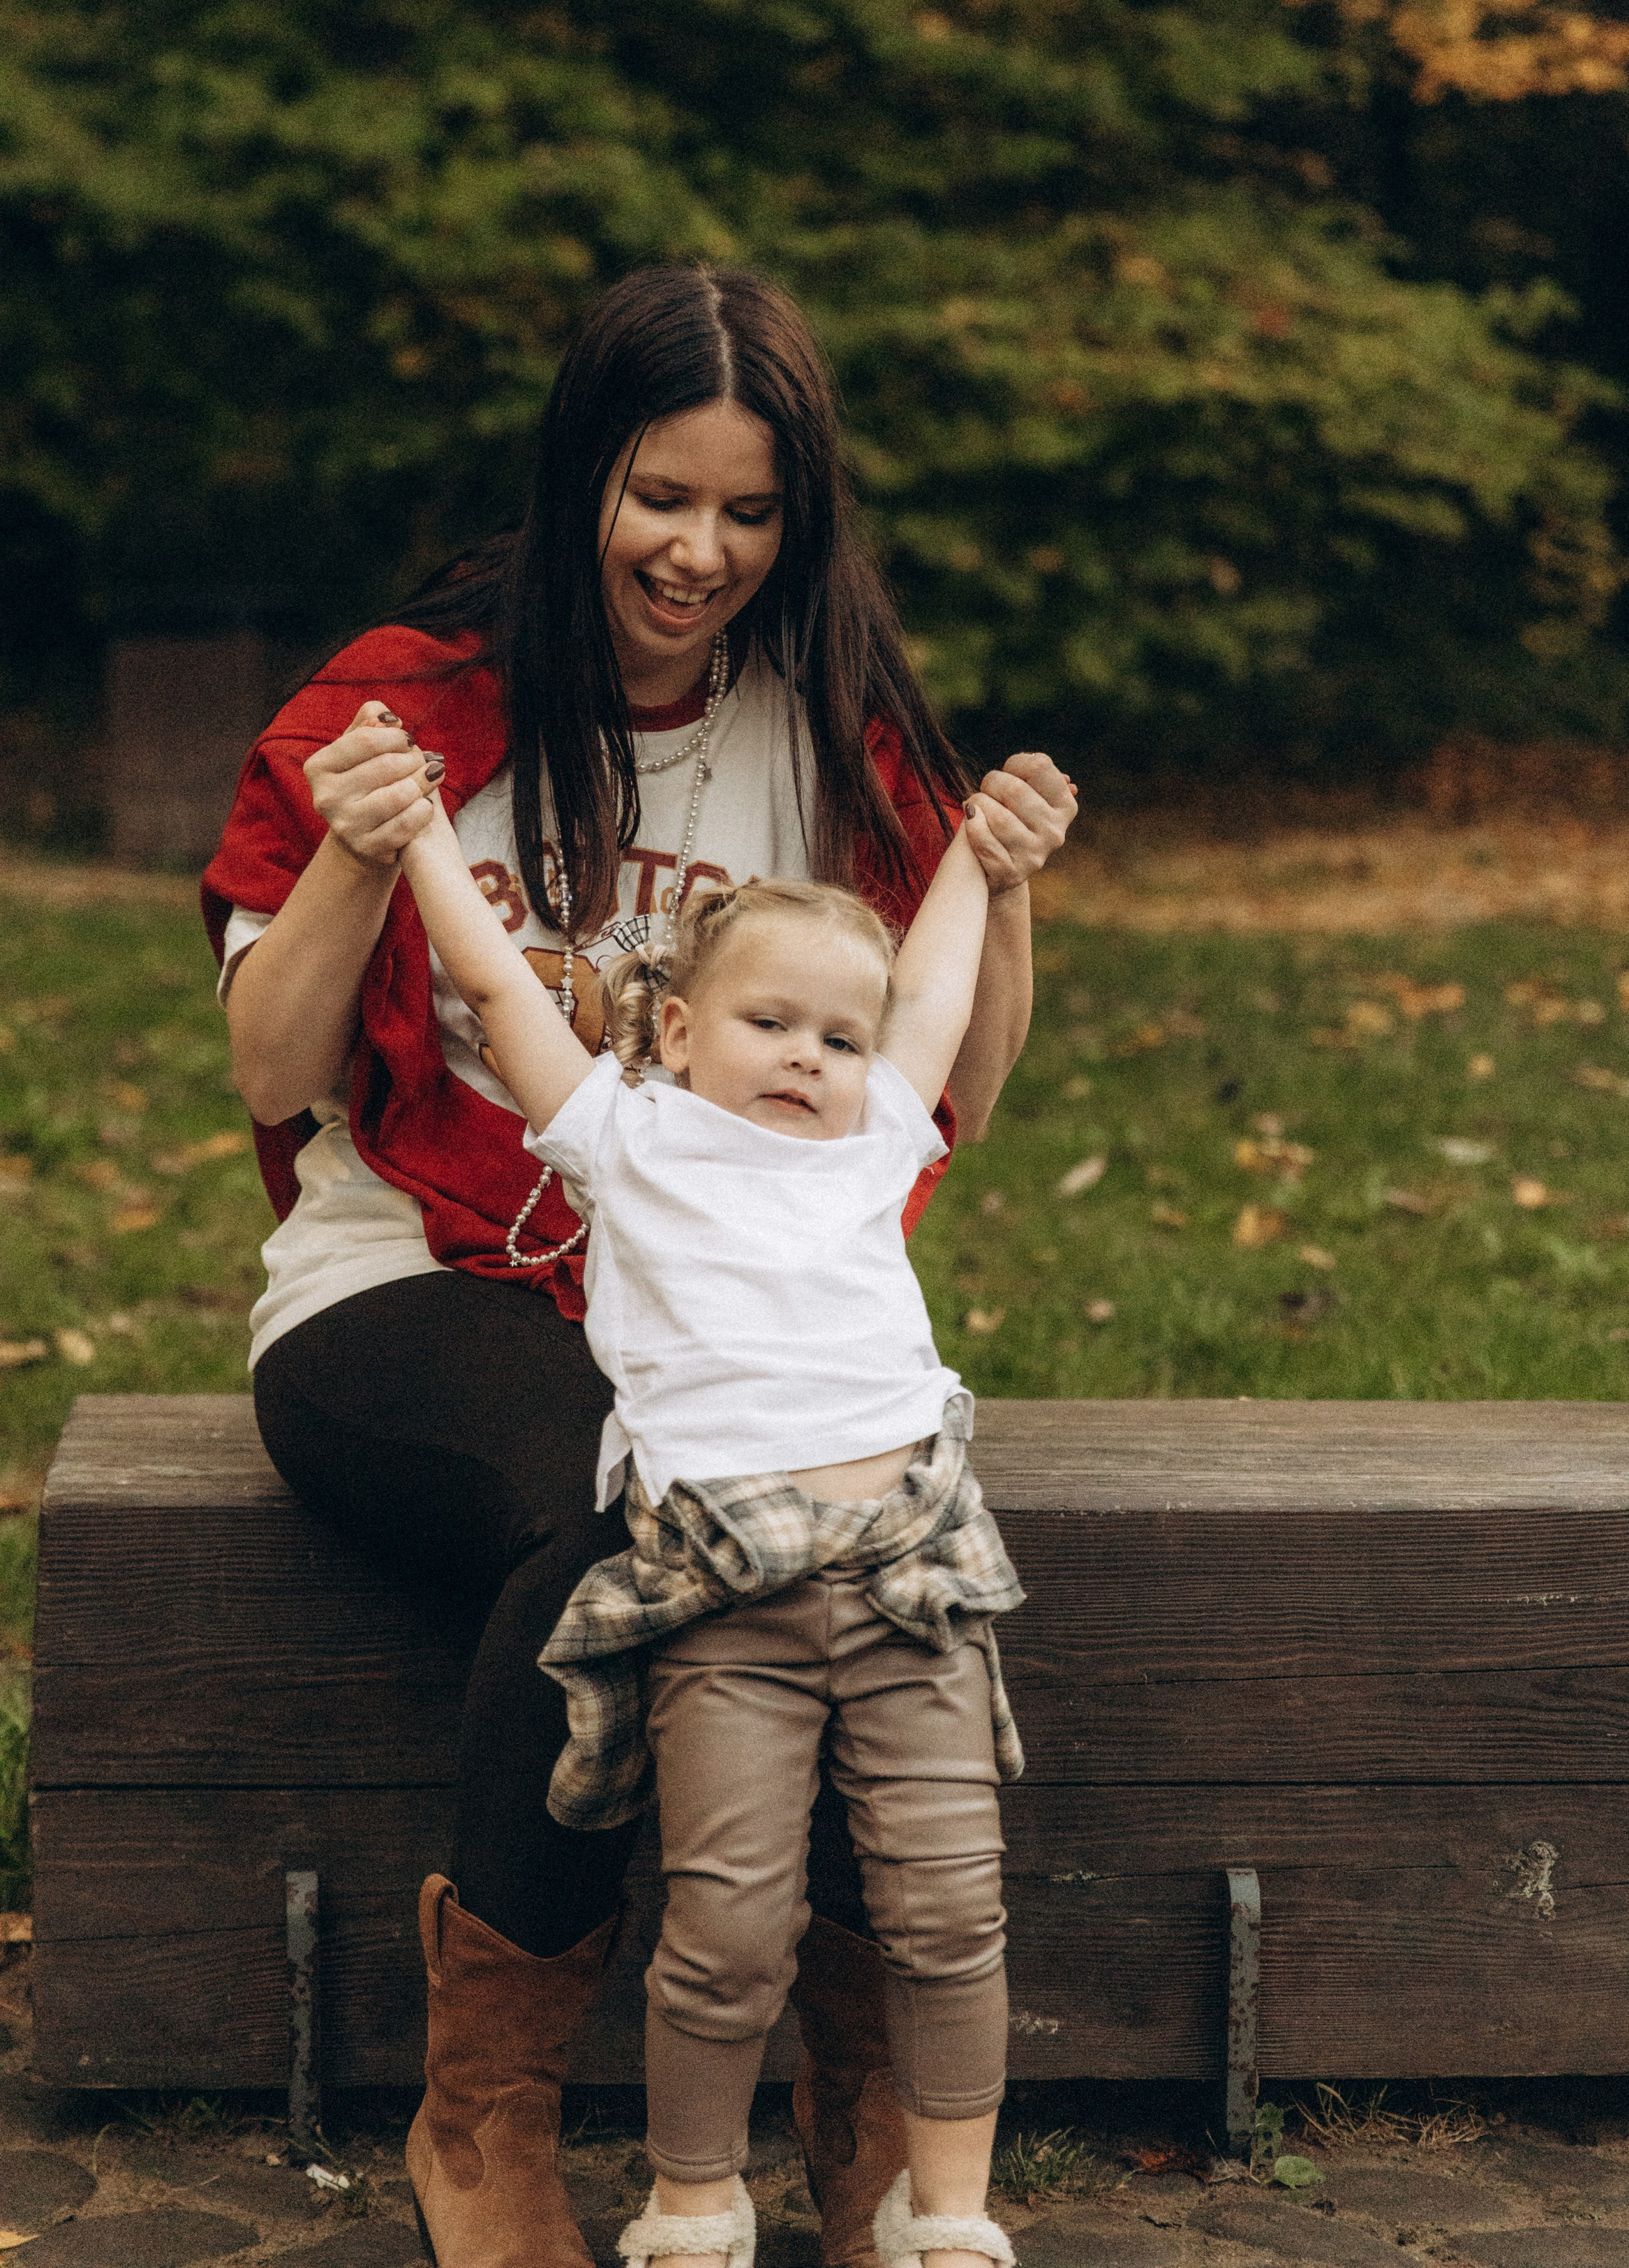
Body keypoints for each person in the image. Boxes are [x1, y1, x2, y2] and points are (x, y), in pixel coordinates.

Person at [200, 262, 1078, 2268]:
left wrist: (1005, 896)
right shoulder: (404, 708)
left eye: (749, 511)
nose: (700, 553)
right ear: (581, 474)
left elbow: (947, 1092)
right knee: (617, 1498)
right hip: (406, 1278)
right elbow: (269, 1069)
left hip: (719, 1313)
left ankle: (862, 2093)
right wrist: (357, 851)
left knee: (825, 1510)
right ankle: (484, 2115)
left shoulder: (827, 730)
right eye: (658, 496)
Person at [399, 779, 1048, 2268]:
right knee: (726, 1930)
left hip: (910, 1585)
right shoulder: (625, 1137)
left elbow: (935, 995)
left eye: (839, 1038)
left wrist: (975, 855)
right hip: (724, 1601)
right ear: (679, 1031)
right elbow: (497, 987)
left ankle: (947, 2213)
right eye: (770, 1022)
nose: (810, 1056)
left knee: (951, 1914)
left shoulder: (873, 1138)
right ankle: (694, 2202)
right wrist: (422, 835)